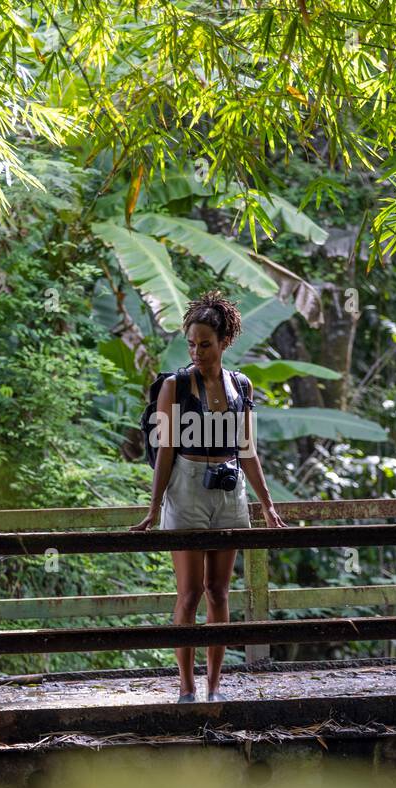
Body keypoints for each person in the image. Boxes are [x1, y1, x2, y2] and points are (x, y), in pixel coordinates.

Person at [130, 291, 287, 702]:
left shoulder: (241, 385)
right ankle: (186, 687)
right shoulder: (175, 386)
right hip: (185, 488)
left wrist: (267, 504)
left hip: (229, 490)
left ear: (223, 343)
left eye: (205, 344)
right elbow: (165, 451)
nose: (197, 352)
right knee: (189, 593)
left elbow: (248, 449)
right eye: (192, 344)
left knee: (219, 592)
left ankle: (216, 686)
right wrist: (153, 509)